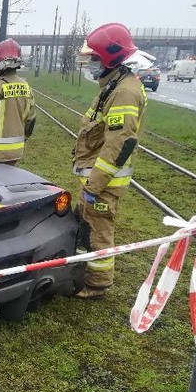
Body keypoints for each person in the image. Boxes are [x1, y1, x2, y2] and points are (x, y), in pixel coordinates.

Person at [72, 22, 148, 299]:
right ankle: (85, 274)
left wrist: (94, 184)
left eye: (93, 59)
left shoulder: (124, 91)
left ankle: (97, 284)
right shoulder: (114, 85)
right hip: (96, 178)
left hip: (104, 182)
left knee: (99, 229)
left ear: (109, 57)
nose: (90, 64)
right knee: (89, 225)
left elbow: (120, 142)